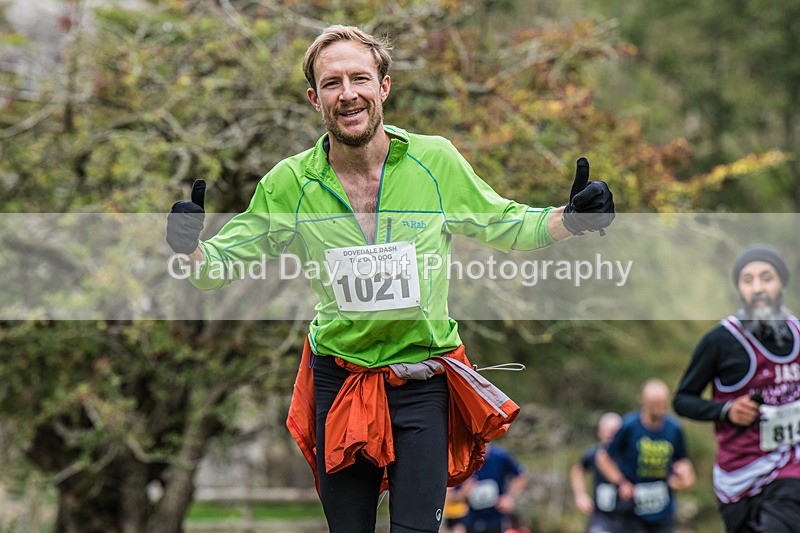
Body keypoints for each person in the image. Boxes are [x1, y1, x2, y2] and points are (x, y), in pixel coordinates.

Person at [165, 24, 614, 533]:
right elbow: (220, 263)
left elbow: (508, 223)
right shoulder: (290, 183)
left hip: (421, 380)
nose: (348, 93)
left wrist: (572, 219)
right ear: (315, 98)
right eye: (332, 83)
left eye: (360, 78)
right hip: (341, 381)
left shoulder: (435, 161)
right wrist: (189, 249)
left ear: (384, 86)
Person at [673, 245, 800, 533]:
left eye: (766, 278)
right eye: (748, 280)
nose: (758, 288)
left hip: (790, 466)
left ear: (781, 283)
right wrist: (727, 410)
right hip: (737, 474)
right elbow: (682, 400)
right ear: (739, 289)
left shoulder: (798, 333)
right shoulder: (720, 341)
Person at [596, 379, 695, 533]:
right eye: (653, 403)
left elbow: (684, 463)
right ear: (642, 401)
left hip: (663, 508)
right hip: (631, 508)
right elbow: (603, 458)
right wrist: (621, 482)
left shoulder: (674, 428)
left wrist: (683, 477)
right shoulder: (629, 425)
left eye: (661, 403)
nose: (658, 408)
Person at [571, 411, 623, 533]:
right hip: (601, 515)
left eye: (615, 431)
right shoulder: (593, 453)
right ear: (600, 432)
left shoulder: (629, 454)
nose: (611, 435)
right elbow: (578, 469)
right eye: (608, 431)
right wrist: (580, 495)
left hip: (627, 515)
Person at [460, 443, 529, 533]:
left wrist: (510, 497)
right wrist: (463, 492)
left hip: (497, 517)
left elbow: (521, 475)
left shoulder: (500, 456)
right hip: (472, 519)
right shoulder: (464, 459)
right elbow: (452, 494)